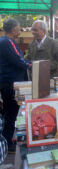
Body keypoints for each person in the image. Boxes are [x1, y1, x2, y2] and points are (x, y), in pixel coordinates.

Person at [0, 19, 31, 150]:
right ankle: (7, 143)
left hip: (5, 81)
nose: (20, 30)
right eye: (19, 28)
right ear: (13, 30)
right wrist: (32, 64)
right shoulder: (9, 42)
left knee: (8, 112)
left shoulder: (2, 41)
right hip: (12, 83)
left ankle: (6, 140)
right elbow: (20, 61)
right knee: (12, 113)